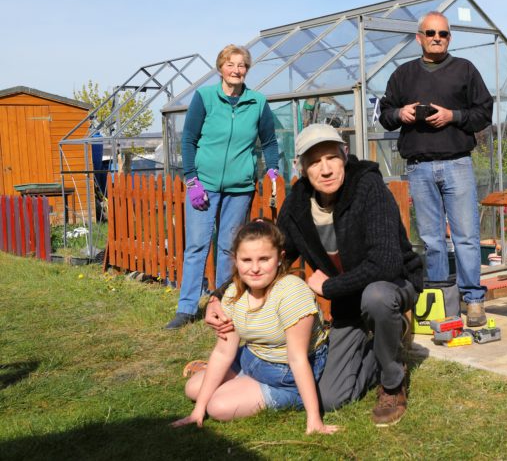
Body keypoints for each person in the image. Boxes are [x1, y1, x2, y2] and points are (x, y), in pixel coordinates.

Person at [206, 124, 424, 427]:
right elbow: (270, 258)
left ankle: (392, 379)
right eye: (314, 162)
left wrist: (331, 286)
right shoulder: (297, 204)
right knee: (331, 398)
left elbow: (387, 264)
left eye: (332, 158)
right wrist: (218, 297)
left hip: (391, 286)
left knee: (378, 298)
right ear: (301, 167)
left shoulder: (369, 188)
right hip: (348, 302)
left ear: (344, 156)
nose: (325, 169)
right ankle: (382, 347)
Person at [378, 11, 494, 327]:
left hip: (457, 162)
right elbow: (384, 114)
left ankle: (473, 301)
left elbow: (484, 112)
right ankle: (443, 302)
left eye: (442, 33)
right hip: (419, 167)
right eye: (430, 33)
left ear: (449, 38)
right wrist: (400, 112)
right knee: (432, 239)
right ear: (419, 38)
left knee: (467, 236)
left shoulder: (465, 70)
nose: (436, 38)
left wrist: (452, 116)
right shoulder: (403, 75)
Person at [171, 220, 337, 434]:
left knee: (218, 407)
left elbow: (297, 359)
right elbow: (223, 352)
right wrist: (198, 411)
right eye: (246, 260)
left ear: (280, 259)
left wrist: (314, 419)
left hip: (285, 374)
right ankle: (241, 382)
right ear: (236, 261)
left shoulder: (292, 293)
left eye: (264, 259)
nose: (255, 268)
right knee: (193, 389)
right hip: (252, 357)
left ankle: (289, 396)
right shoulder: (232, 294)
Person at [165, 44, 280, 330]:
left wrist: (274, 166)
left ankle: (222, 304)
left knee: (229, 247)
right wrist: (192, 180)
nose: (236, 70)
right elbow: (188, 140)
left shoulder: (257, 102)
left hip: (239, 188)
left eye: (242, 65)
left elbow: (269, 141)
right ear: (221, 68)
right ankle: (187, 307)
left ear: (247, 70)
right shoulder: (204, 98)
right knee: (197, 245)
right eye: (231, 64)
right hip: (203, 185)